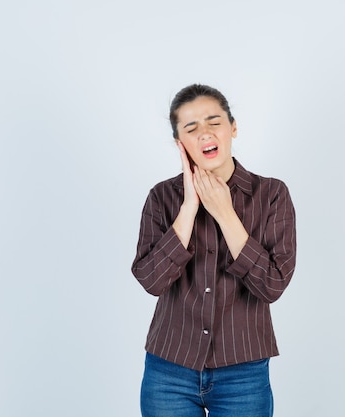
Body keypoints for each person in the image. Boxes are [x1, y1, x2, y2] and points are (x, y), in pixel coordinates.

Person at [131, 84, 296, 417]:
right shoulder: (162, 198)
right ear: (181, 143)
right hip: (169, 370)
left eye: (213, 121)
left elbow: (271, 285)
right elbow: (151, 281)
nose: (204, 133)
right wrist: (190, 207)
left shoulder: (271, 195)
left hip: (244, 372)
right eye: (191, 128)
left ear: (233, 127)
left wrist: (224, 212)